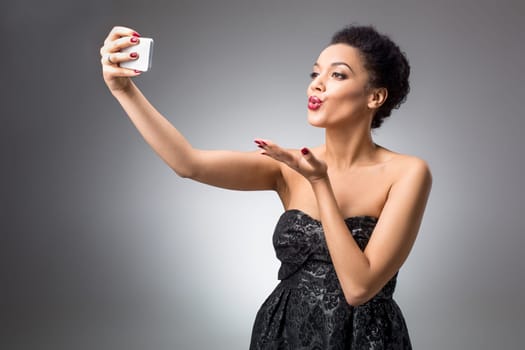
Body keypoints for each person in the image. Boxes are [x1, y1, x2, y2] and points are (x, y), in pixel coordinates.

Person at [100, 24, 432, 350]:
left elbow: (359, 288)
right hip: (283, 331)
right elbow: (188, 163)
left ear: (375, 96)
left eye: (337, 75)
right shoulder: (288, 167)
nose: (316, 85)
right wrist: (123, 91)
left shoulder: (407, 173)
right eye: (314, 74)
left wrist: (319, 182)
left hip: (364, 337)